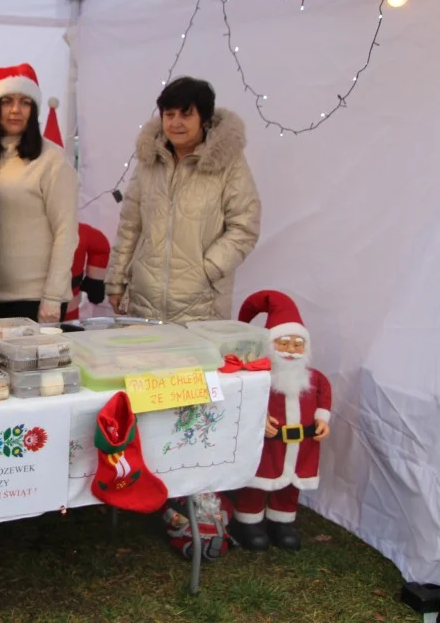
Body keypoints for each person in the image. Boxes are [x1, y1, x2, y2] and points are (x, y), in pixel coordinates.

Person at [104, 77, 261, 323]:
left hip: (202, 306)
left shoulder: (229, 164)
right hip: (144, 302)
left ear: (205, 119)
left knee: (194, 363)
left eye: (186, 115)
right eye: (169, 114)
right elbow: (130, 225)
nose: (176, 123)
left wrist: (206, 269)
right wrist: (116, 281)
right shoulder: (149, 162)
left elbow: (245, 227)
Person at [230, 290, 332, 552]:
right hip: (269, 444)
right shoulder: (260, 376)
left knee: (290, 484)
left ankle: (282, 521)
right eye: (283, 344)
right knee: (257, 481)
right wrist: (259, 418)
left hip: (302, 444)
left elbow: (324, 396)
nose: (291, 351)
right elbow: (248, 397)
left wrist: (322, 419)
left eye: (298, 345)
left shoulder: (314, 378)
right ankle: (248, 521)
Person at [0, 64, 78, 323]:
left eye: (24, 102)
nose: (15, 110)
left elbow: (66, 231)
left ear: (33, 110)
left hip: (38, 299)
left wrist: (53, 297)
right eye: (7, 101)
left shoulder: (52, 160)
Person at [66, 223, 111, 322]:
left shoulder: (79, 232)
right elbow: (100, 245)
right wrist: (95, 281)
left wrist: (95, 281)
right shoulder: (80, 231)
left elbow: (100, 245)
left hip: (68, 306)